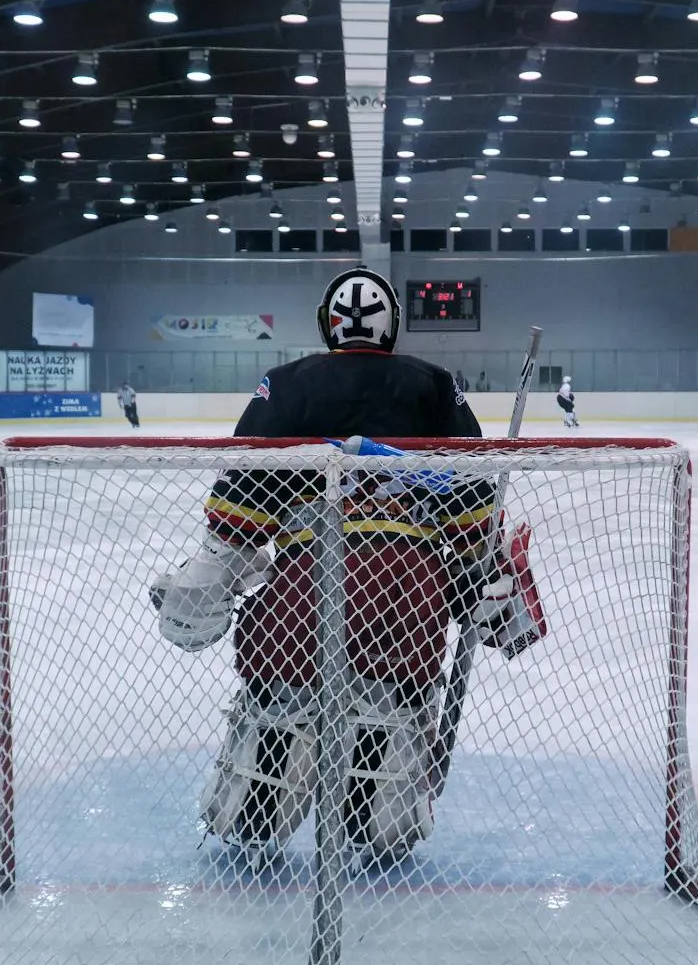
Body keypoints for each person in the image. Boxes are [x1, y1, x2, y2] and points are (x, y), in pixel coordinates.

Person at [150, 267, 534, 865]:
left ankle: (255, 828)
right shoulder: (436, 386)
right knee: (389, 722)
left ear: (328, 323)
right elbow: (471, 512)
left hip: (304, 587)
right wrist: (484, 585)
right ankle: (376, 828)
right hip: (406, 594)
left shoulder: (286, 383)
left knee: (278, 715)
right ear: (393, 327)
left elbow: (240, 509)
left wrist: (206, 582)